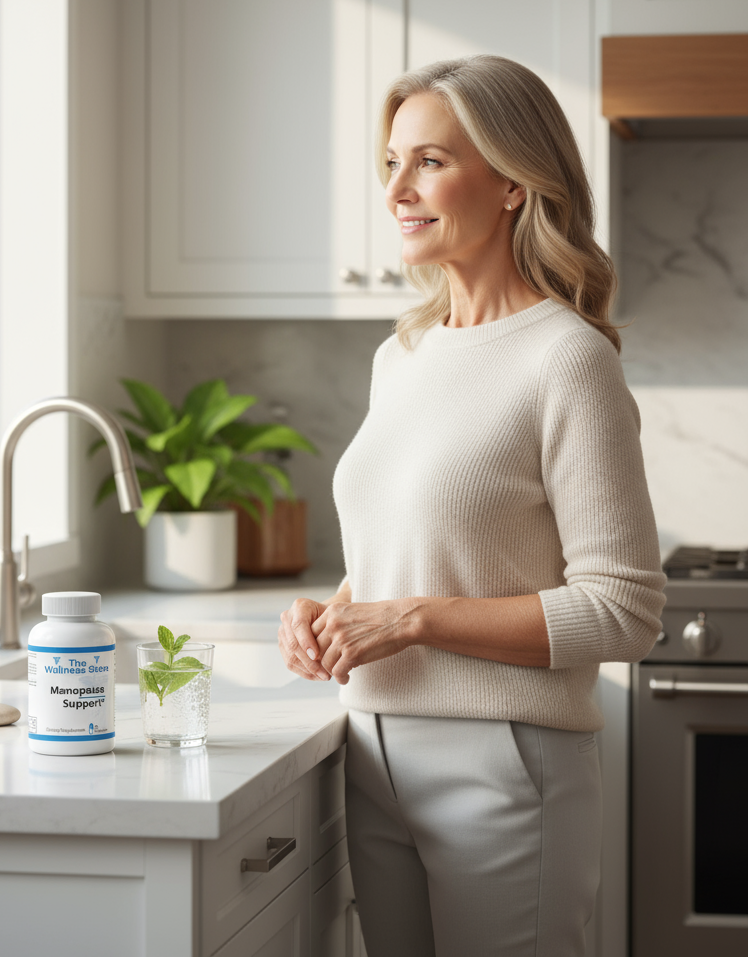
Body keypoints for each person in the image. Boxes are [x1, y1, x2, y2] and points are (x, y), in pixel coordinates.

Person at [277, 55, 665, 957]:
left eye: (430, 163)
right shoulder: (403, 355)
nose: (398, 191)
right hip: (371, 746)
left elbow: (625, 609)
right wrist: (335, 612)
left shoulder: (566, 359)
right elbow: (415, 544)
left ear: (514, 186)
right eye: (390, 163)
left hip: (505, 763)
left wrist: (410, 619)